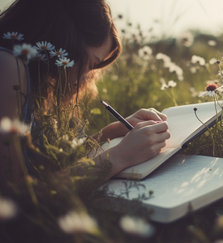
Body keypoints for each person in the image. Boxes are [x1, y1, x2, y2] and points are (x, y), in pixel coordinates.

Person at [0, 0, 170, 180]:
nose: (87, 78)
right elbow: (16, 193)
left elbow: (46, 166)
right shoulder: (7, 67)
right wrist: (120, 157)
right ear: (65, 41)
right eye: (90, 64)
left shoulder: (32, 77)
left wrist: (111, 132)